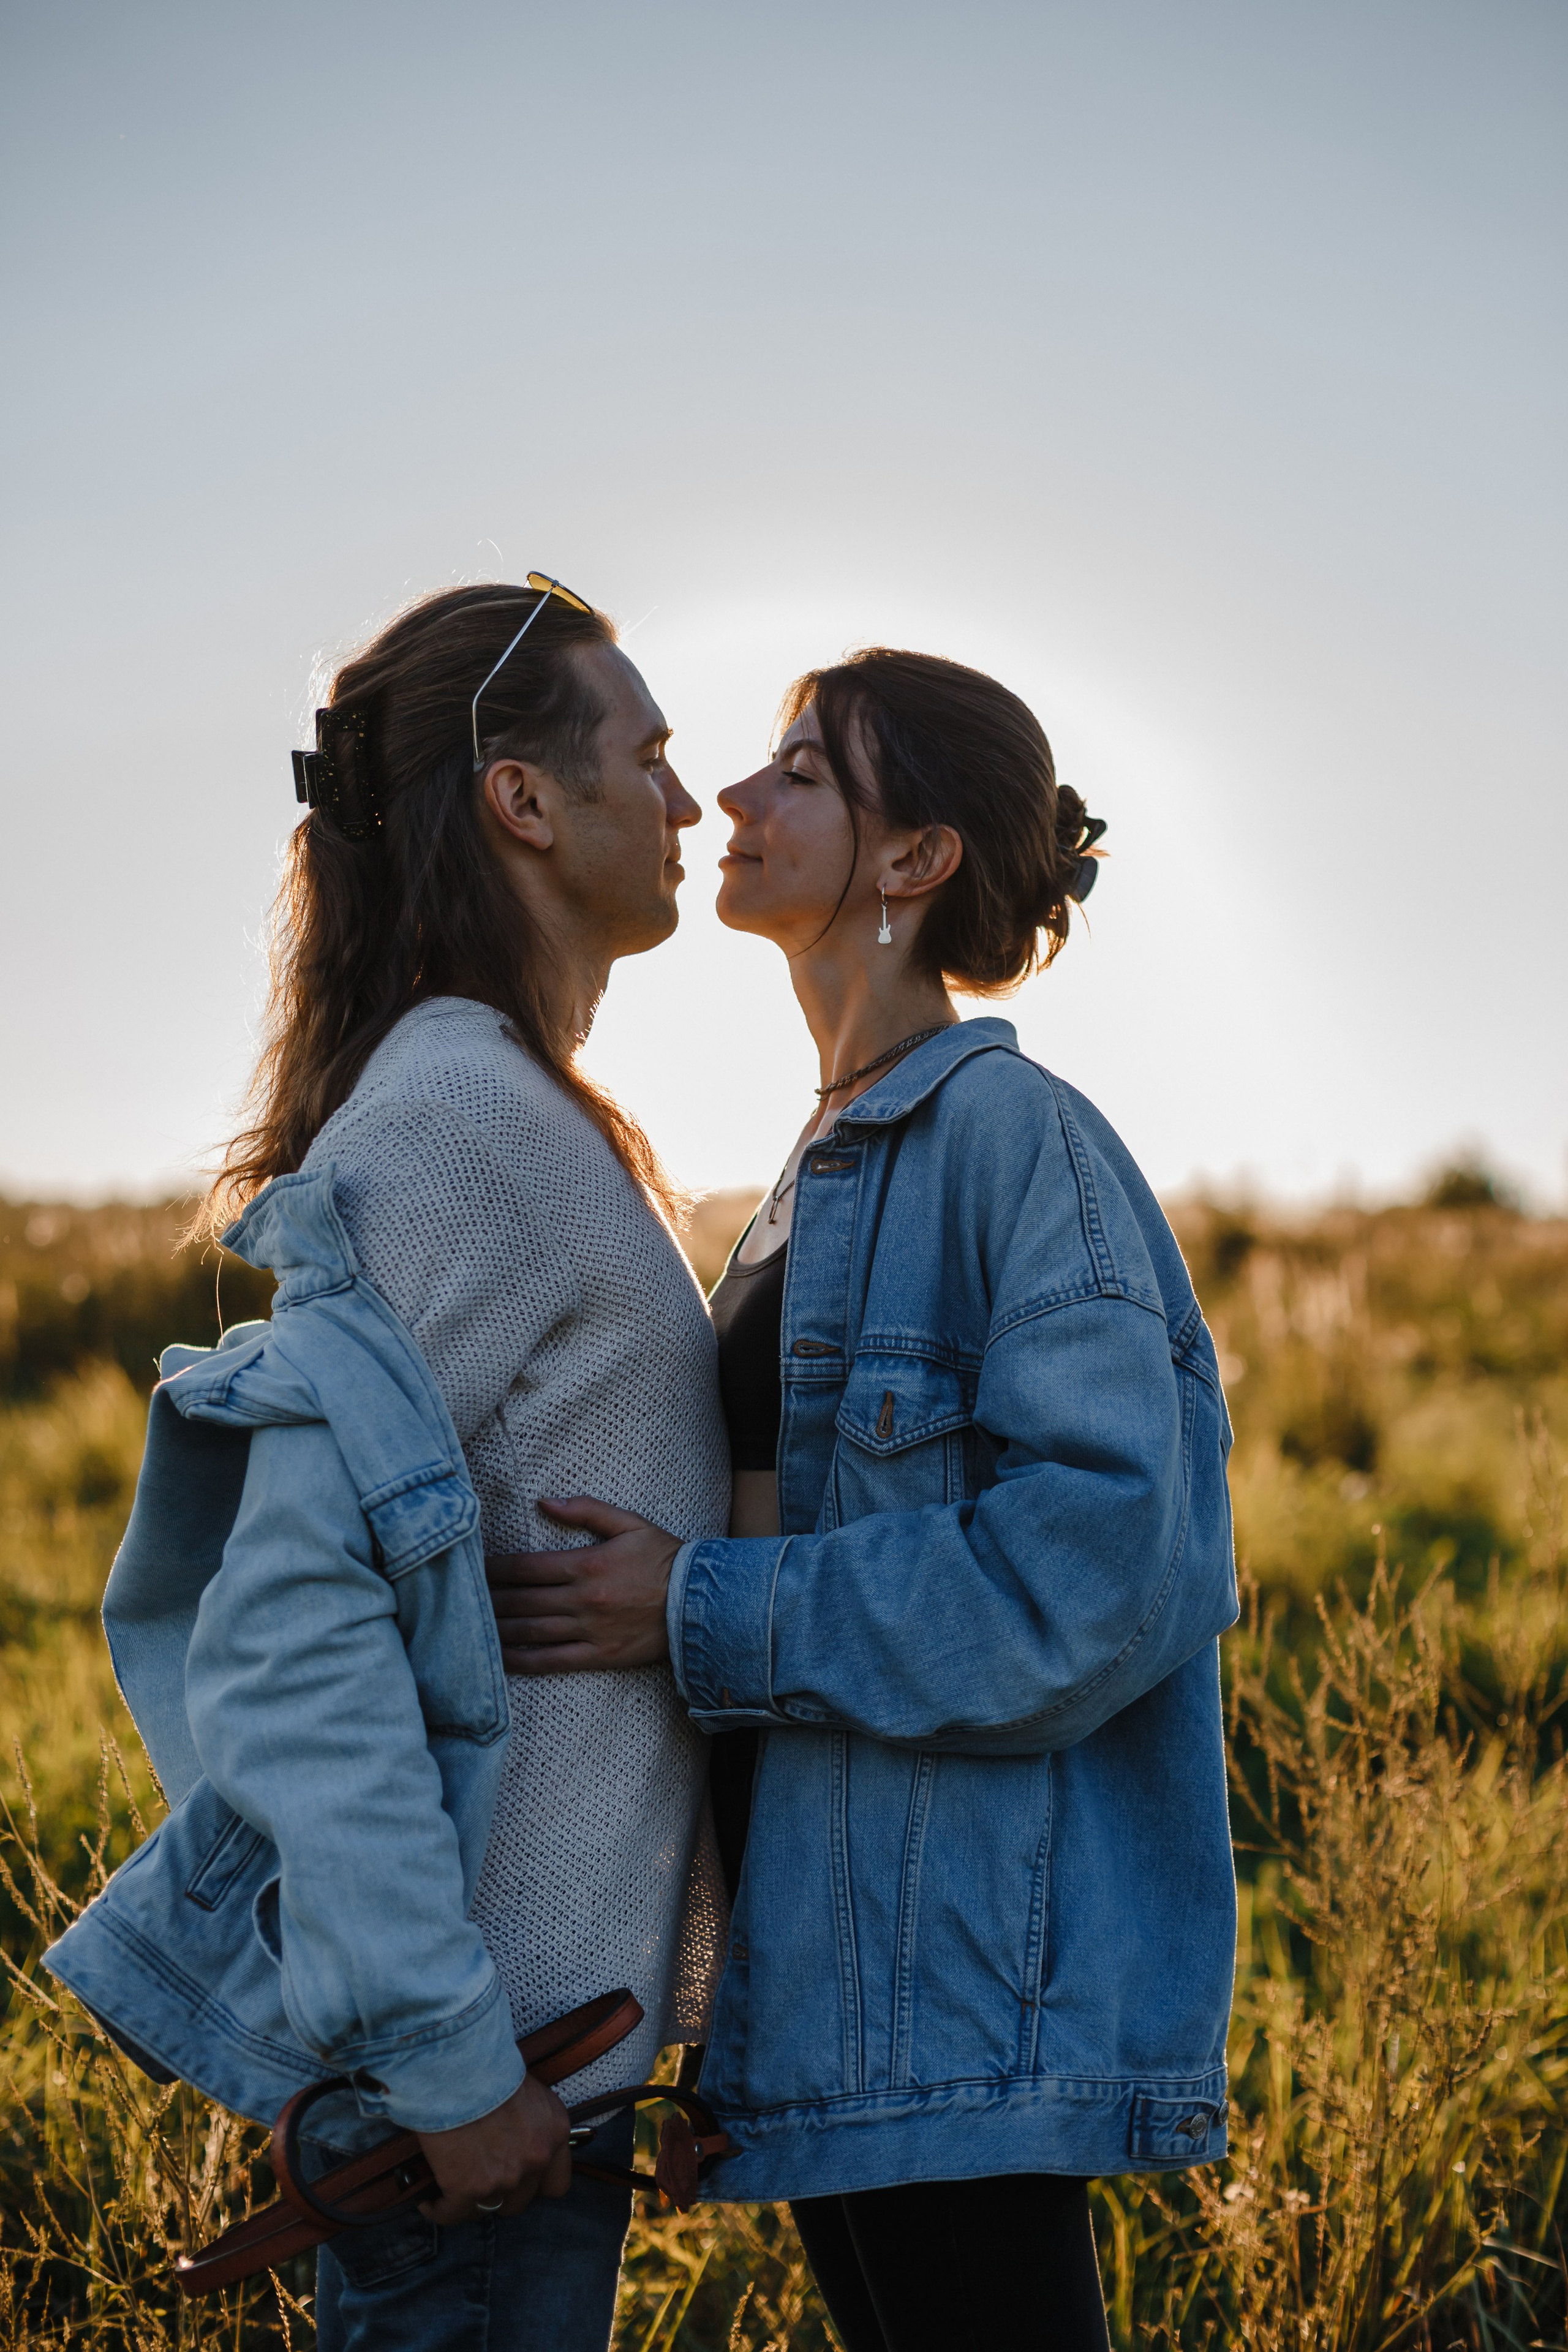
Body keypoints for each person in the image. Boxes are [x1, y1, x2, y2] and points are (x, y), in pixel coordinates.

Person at [488, 648, 1239, 2352]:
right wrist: (755, 2025)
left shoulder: (1017, 1145)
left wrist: (700, 1607)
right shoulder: (806, 1183)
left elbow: (1105, 1569)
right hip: (851, 2013)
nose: (734, 801)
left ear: (916, 862)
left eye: (804, 769)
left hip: (963, 2015)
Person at [47, 578, 733, 2352]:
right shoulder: (458, 1126)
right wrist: (439, 2061)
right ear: (523, 800)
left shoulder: (519, 1108)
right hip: (479, 2104)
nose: (688, 803)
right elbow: (288, 1628)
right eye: (649, 756)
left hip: (530, 2090)